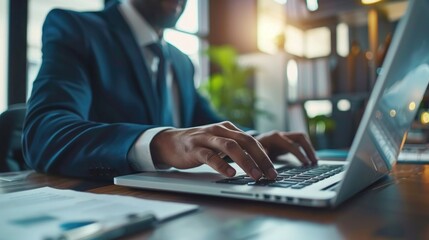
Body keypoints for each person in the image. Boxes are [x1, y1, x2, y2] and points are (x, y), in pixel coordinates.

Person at [23, 0, 317, 181]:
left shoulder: (180, 61)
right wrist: (160, 143)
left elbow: (209, 124)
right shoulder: (77, 28)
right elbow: (43, 135)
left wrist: (253, 141)